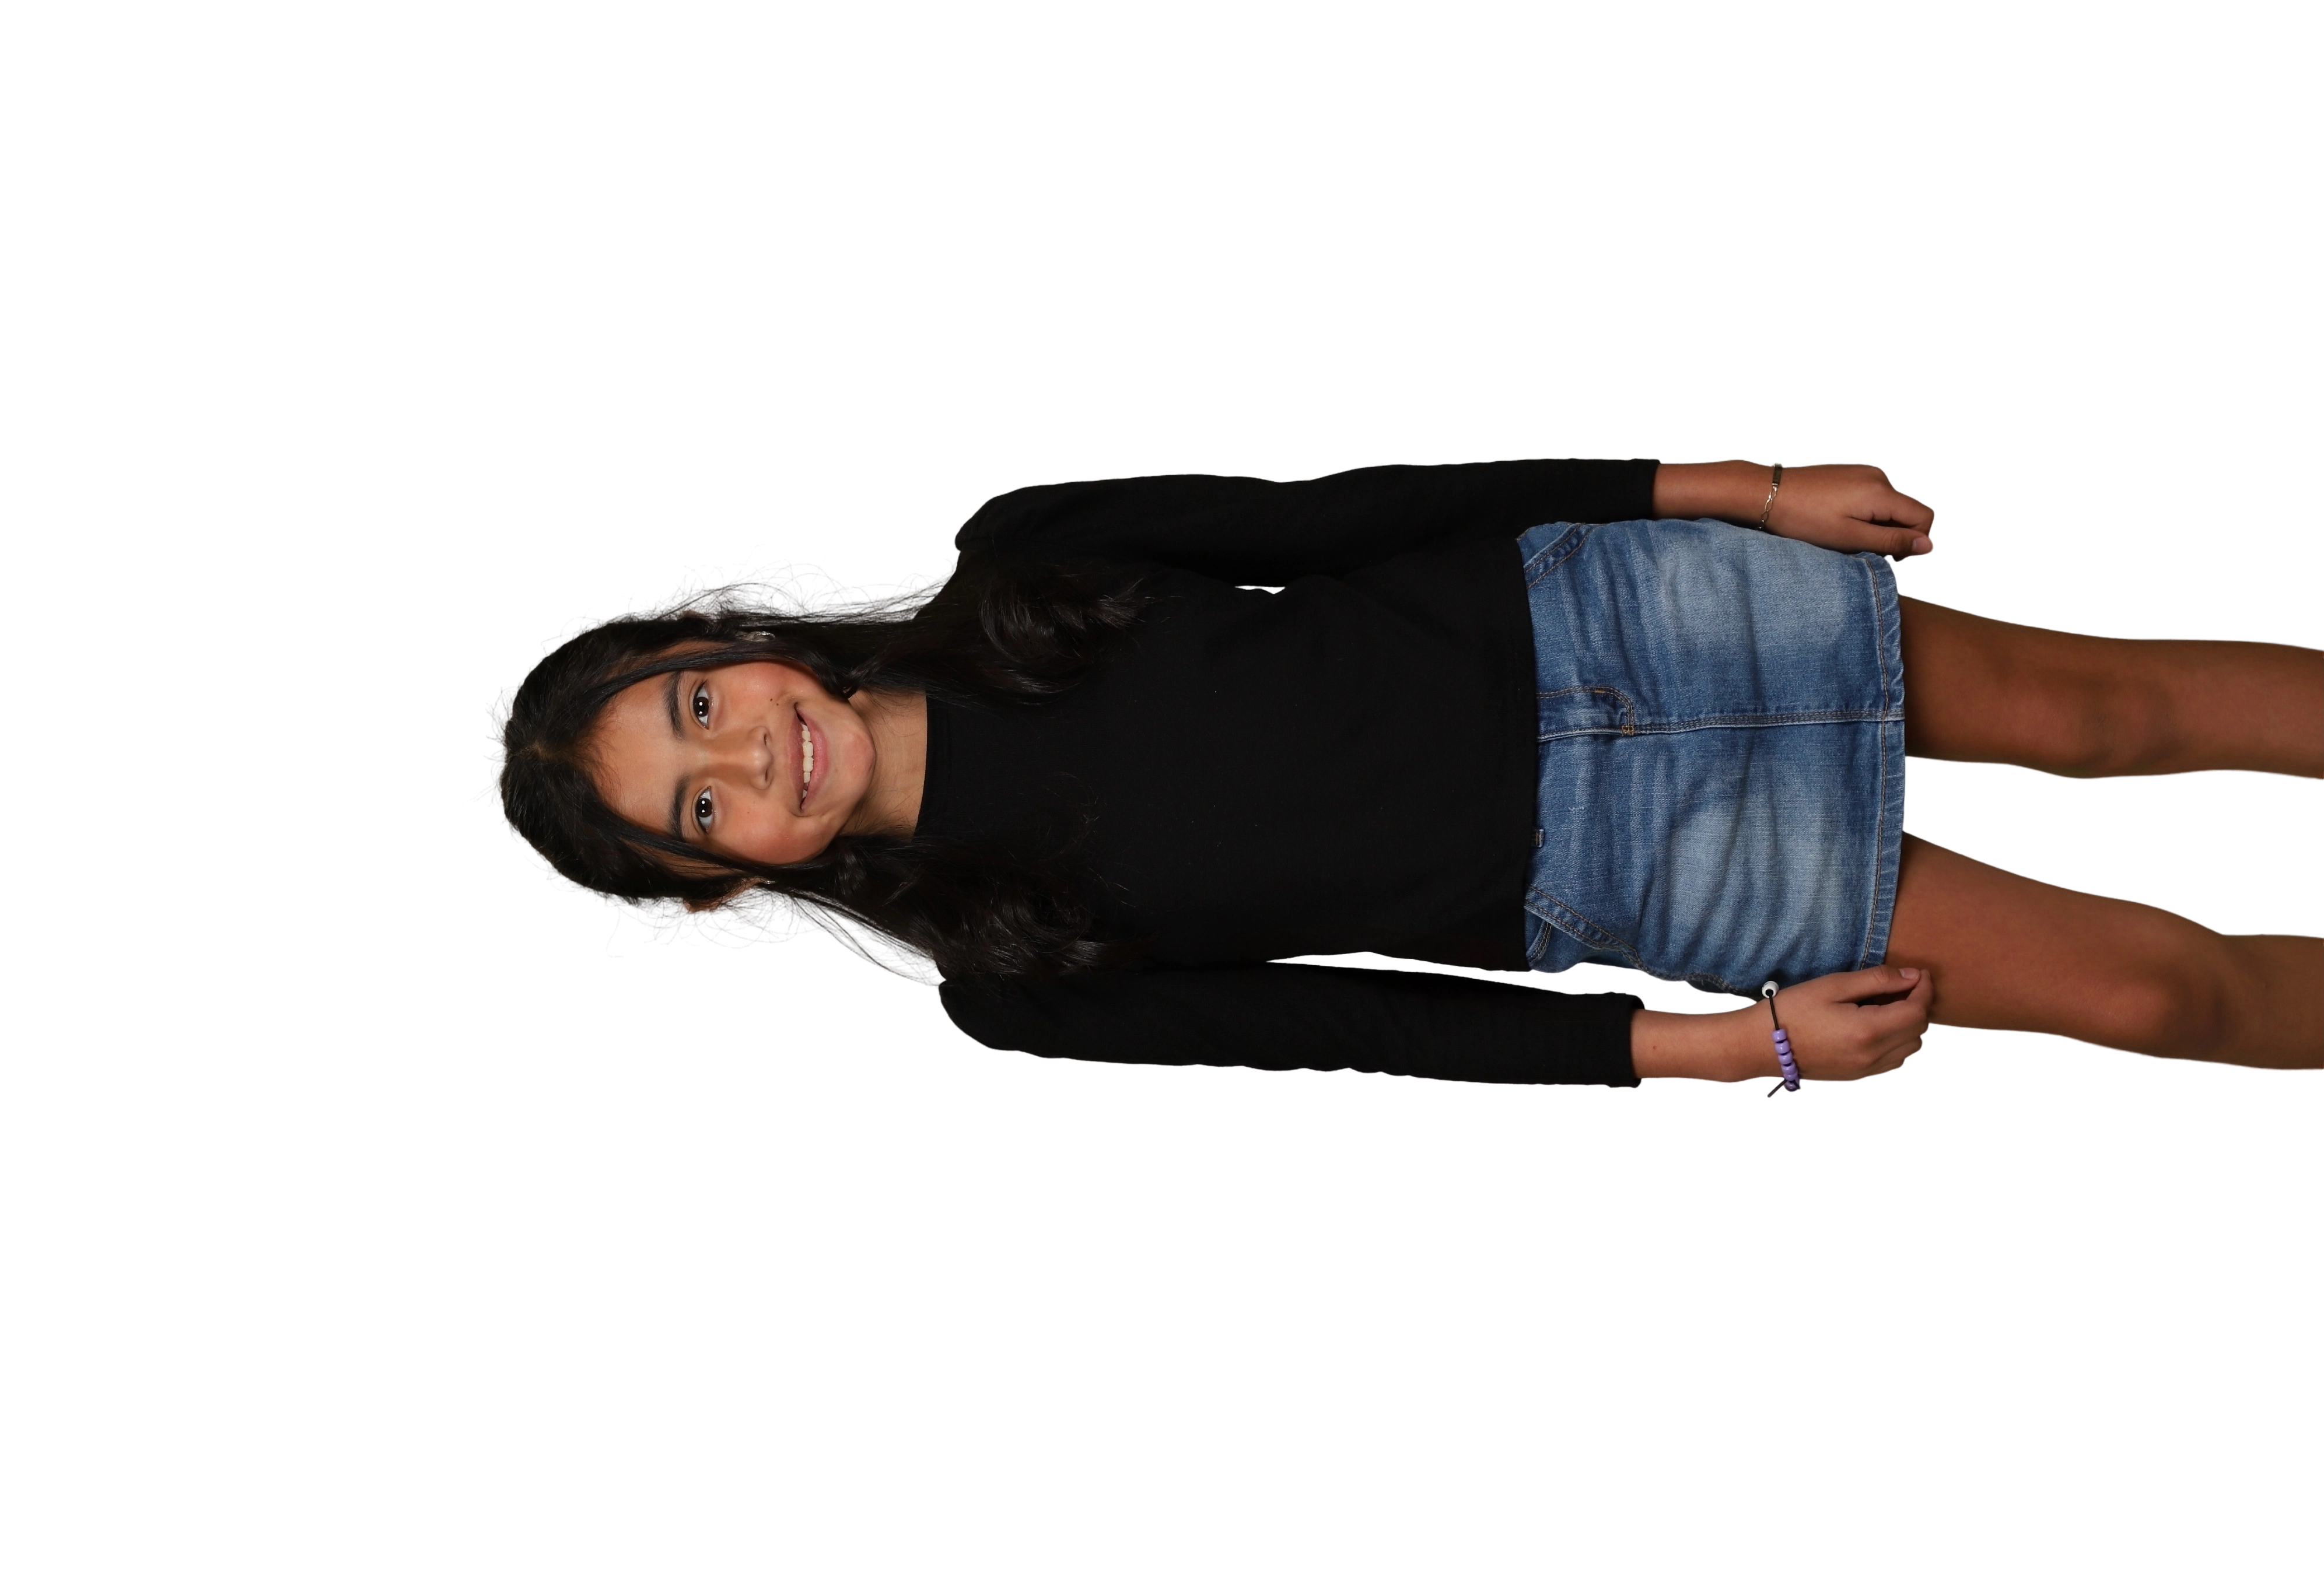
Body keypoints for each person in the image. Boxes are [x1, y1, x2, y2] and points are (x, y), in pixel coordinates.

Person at [469, 457, 2324, 1088]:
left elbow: (1365, 510)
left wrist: (1733, 490)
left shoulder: (1021, 552)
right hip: (1654, 865)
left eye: (698, 704)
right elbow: (1371, 1028)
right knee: (2158, 997)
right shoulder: (1008, 982)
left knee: (2106, 716)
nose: (747, 753)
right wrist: (1736, 1048)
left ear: (736, 641)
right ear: (724, 880)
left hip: (1631, 621)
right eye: (698, 805)